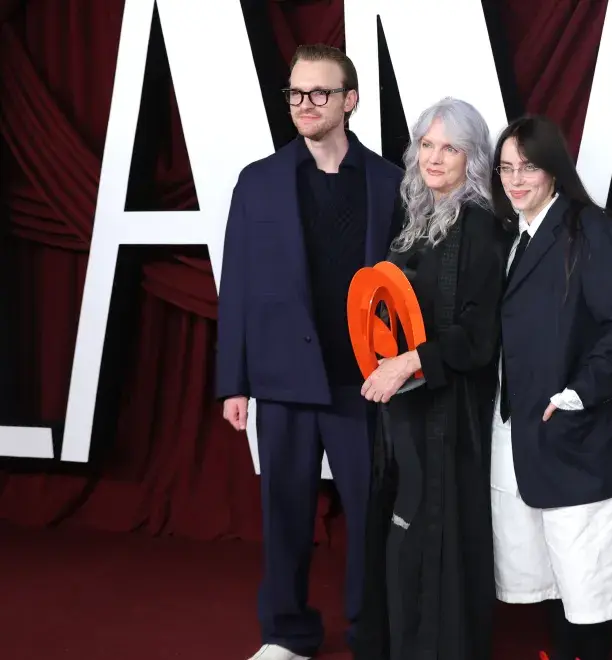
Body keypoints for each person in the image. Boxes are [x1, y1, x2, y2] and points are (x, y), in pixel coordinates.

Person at [215, 44, 403, 660]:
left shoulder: (389, 182)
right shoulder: (259, 182)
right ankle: (287, 634)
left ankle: (369, 636)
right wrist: (232, 382)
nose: (304, 104)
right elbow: (237, 284)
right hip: (284, 380)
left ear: (350, 101)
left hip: (364, 382)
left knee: (371, 519)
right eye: (296, 93)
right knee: (285, 516)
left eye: (319, 93)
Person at [490, 115, 612, 660]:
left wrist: (575, 395)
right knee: (552, 576)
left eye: (528, 167)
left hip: (577, 438)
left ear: (554, 170)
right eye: (507, 168)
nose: (516, 180)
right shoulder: (516, 237)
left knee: (588, 587)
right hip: (528, 443)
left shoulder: (591, 230)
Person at [353, 97, 509, 660]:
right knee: (401, 538)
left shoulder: (483, 227)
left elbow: (478, 337)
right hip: (403, 411)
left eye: (450, 148)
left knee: (433, 539)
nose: (435, 158)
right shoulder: (412, 220)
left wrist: (408, 362)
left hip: (451, 413)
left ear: (474, 158)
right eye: (427, 144)